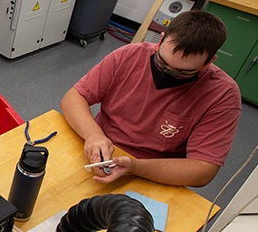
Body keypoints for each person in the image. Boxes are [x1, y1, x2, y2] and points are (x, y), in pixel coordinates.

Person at [60, 10, 241, 187]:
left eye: (182, 72)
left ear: (209, 62)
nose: (168, 73)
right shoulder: (128, 56)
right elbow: (74, 97)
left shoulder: (222, 94)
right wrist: (93, 135)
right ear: (160, 39)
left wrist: (134, 167)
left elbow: (202, 170)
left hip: (154, 173)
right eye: (162, 63)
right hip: (99, 151)